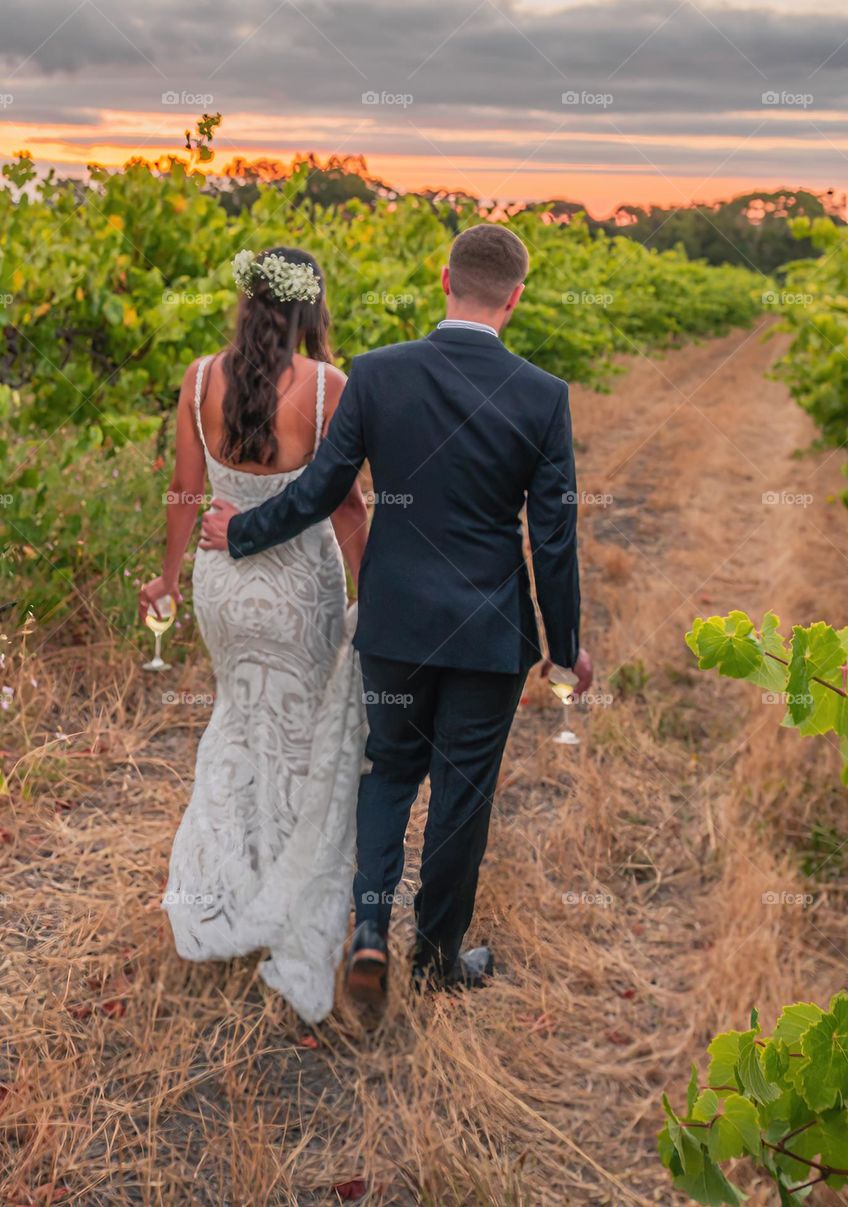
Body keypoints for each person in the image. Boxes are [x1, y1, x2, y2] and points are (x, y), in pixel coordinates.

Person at [200, 224, 593, 1010]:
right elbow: (553, 536)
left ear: (444, 277)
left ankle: (371, 927)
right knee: (462, 795)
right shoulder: (542, 396)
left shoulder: (378, 374)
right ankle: (441, 955)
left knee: (387, 773)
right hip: (488, 633)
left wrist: (239, 531)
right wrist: (564, 647)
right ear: (515, 297)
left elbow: (318, 493)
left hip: (394, 621)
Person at [140, 247, 369, 1024]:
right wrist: (371, 597)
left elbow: (185, 490)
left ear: (247, 299)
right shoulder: (329, 388)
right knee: (301, 735)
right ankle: (285, 891)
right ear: (311, 307)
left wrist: (167, 579)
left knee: (239, 723)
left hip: (224, 588)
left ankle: (227, 889)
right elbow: (346, 510)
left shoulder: (200, 378)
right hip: (300, 586)